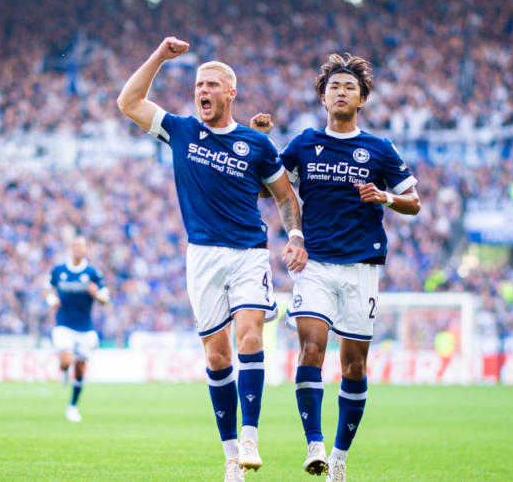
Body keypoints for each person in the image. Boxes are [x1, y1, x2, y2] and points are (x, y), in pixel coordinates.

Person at [116, 37, 308, 482]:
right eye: (199, 83)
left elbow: (284, 196)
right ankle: (229, 458)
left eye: (211, 84)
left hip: (248, 253)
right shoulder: (181, 130)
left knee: (249, 339)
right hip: (201, 255)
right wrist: (161, 56)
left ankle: (249, 436)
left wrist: (295, 235)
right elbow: (128, 102)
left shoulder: (254, 144)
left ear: (230, 93)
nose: (202, 90)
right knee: (218, 357)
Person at [253, 53, 421, 481]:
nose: (341, 92)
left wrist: (385, 197)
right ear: (323, 97)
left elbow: (414, 203)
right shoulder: (304, 144)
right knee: (311, 347)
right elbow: (267, 189)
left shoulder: (380, 149)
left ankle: (340, 459)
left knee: (354, 367)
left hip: (362, 267)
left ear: (362, 98)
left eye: (349, 87)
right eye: (334, 87)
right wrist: (258, 146)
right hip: (315, 264)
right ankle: (315, 443)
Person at [45, 236, 110, 423]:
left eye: (81, 246)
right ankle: (64, 369)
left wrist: (96, 294)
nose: (77, 249)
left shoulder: (93, 273)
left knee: (80, 369)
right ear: (70, 248)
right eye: (74, 245)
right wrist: (50, 299)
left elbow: (105, 299)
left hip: (84, 328)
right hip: (63, 325)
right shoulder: (59, 270)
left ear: (85, 249)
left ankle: (72, 406)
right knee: (67, 360)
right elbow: (47, 288)